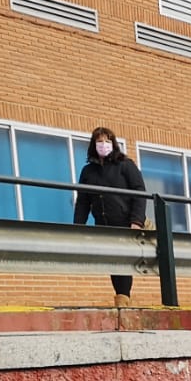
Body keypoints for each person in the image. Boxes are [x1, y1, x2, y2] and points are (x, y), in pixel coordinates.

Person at [73, 126, 147, 301]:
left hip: (124, 222)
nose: (103, 144)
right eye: (99, 141)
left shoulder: (125, 165)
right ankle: (121, 299)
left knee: (123, 262)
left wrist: (136, 220)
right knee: (114, 262)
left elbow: (140, 192)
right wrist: (78, 227)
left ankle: (123, 299)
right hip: (103, 224)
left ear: (113, 144)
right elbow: (83, 201)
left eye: (107, 141)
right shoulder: (88, 171)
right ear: (93, 145)